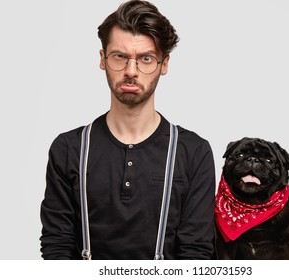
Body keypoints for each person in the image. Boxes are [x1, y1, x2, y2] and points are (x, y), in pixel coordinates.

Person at [40, 0, 216, 260]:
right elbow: (57, 247)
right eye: (120, 57)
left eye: (146, 58)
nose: (131, 71)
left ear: (164, 64)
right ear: (103, 59)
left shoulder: (193, 152)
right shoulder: (68, 148)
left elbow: (196, 254)